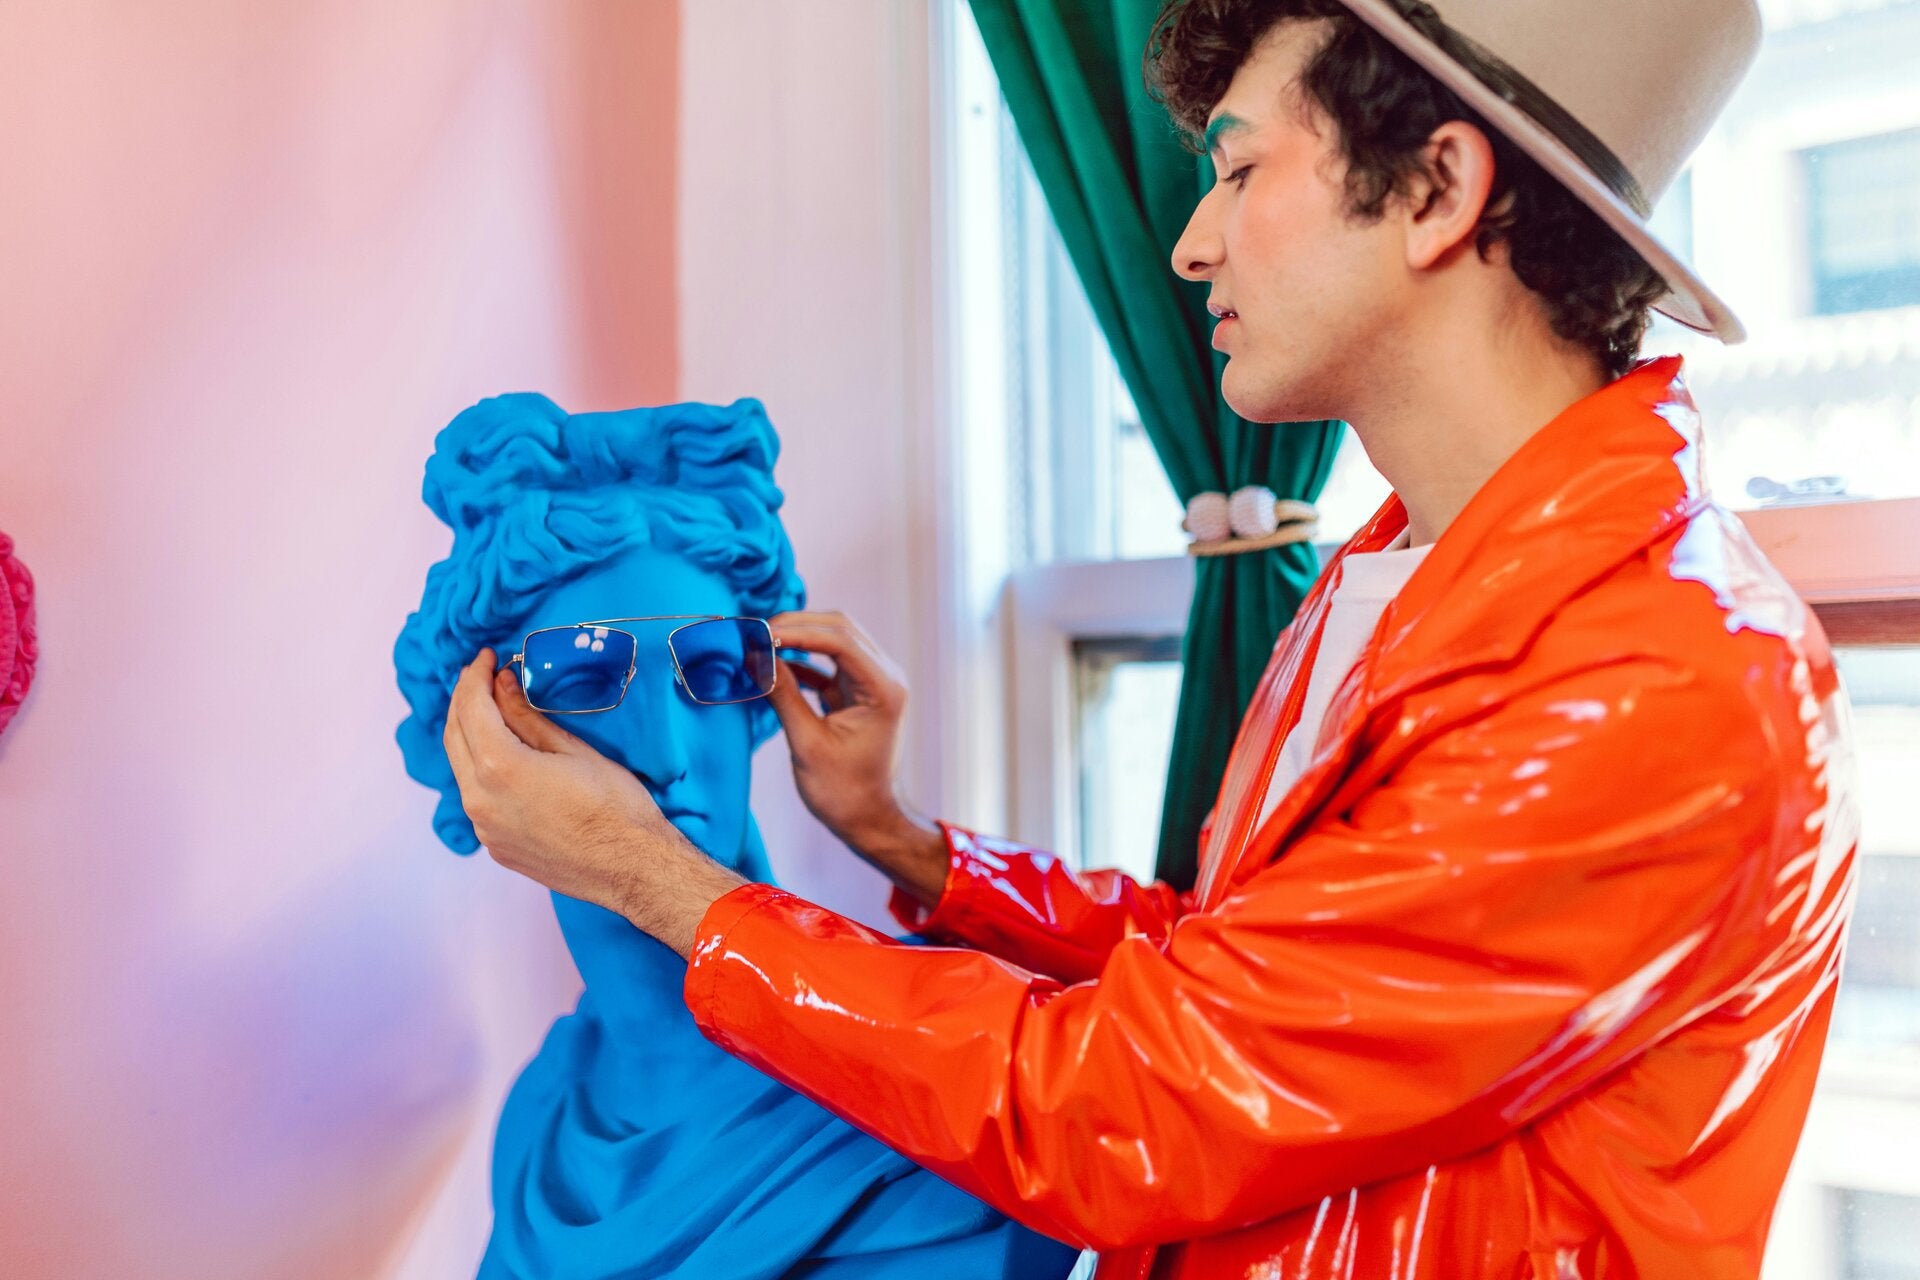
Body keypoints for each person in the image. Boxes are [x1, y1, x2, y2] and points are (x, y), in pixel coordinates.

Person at [437, 2, 1860, 1276]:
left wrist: (664, 885)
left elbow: (1143, 1100)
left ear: (1437, 189)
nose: (1189, 242)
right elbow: (1260, 982)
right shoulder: (1400, 578)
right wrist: (909, 845)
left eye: (1239, 171)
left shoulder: (1657, 675)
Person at [394, 394, 1079, 1279]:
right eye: (587, 678)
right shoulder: (545, 1107)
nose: (667, 754)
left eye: (713, 672)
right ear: (481, 733)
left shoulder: (957, 1092)